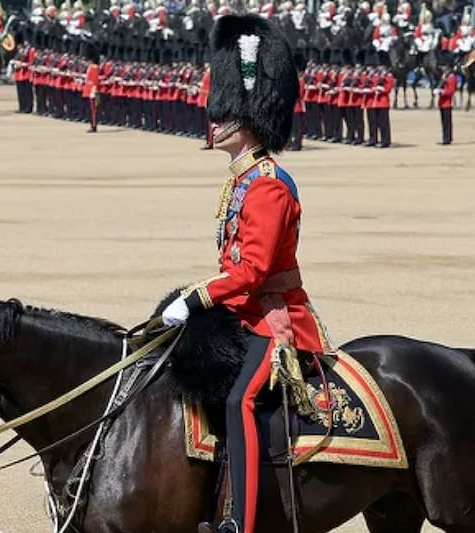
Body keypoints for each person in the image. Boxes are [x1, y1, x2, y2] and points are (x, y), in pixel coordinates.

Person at [161, 14, 326, 533]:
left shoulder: (269, 186)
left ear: (248, 120)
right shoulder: (243, 180)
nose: (214, 121)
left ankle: (242, 520)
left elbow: (252, 271)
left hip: (273, 317)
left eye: (225, 113)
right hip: (239, 308)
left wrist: (195, 297)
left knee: (241, 398)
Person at [435, 52, 457, 145]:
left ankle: (447, 139)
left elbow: (450, 91)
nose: (442, 68)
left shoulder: (451, 77)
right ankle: (446, 137)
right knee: (444, 122)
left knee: (447, 122)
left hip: (447, 103)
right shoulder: (445, 76)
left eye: (443, 66)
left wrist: (441, 92)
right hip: (442, 102)